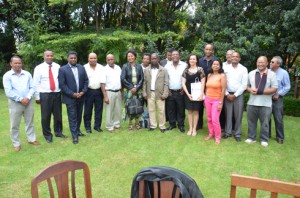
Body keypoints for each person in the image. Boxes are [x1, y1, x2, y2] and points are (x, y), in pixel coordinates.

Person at [3, 56, 40, 151]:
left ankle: (31, 139)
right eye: (15, 63)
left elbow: (32, 87)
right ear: (11, 64)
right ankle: (16, 143)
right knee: (15, 124)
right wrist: (20, 99)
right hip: (15, 103)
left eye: (19, 63)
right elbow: (8, 91)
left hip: (28, 102)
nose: (18, 65)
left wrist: (27, 98)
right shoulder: (7, 76)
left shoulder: (27, 74)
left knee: (30, 122)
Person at [33, 49, 65, 143]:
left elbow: (60, 80)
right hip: (45, 94)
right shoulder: (38, 68)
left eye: (51, 55)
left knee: (58, 115)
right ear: (44, 56)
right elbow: (36, 83)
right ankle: (47, 135)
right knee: (45, 116)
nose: (50, 57)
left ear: (53, 56)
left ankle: (58, 132)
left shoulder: (57, 66)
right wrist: (37, 97)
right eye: (47, 56)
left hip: (56, 93)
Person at [245, 56, 278, 147]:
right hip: (252, 102)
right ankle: (251, 138)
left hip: (266, 103)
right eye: (259, 62)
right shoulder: (251, 73)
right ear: (256, 63)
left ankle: (264, 139)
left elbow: (274, 88)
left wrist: (261, 92)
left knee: (265, 123)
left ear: (267, 63)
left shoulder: (271, 74)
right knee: (251, 121)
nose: (260, 64)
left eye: (262, 62)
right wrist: (250, 90)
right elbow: (247, 85)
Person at [58, 51, 89, 144]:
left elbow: (86, 81)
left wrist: (83, 91)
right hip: (70, 98)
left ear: (77, 58)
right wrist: (73, 94)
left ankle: (78, 131)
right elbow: (62, 85)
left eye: (74, 58)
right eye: (71, 58)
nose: (73, 59)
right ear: (68, 58)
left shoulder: (81, 67)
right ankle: (74, 136)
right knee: (72, 117)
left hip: (81, 96)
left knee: (79, 115)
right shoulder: (62, 69)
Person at [222, 52, 248, 142]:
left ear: (239, 58)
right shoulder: (225, 68)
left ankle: (237, 133)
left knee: (238, 115)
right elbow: (223, 82)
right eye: (233, 56)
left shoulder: (243, 69)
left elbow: (244, 84)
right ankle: (227, 132)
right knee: (228, 114)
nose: (234, 58)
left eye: (237, 56)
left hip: (238, 95)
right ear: (230, 57)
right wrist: (226, 94)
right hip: (227, 94)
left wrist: (235, 95)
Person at [143, 53, 169, 133]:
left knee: (161, 110)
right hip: (150, 93)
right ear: (151, 60)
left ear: (158, 59)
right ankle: (153, 125)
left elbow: (166, 83)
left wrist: (165, 94)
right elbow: (144, 82)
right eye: (152, 58)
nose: (154, 60)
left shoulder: (163, 70)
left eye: (155, 58)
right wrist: (144, 93)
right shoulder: (146, 69)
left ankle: (162, 126)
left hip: (160, 94)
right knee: (151, 110)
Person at [182, 54, 205, 136]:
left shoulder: (200, 70)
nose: (192, 60)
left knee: (196, 111)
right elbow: (183, 83)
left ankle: (195, 129)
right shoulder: (186, 70)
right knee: (189, 111)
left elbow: (203, 82)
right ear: (188, 60)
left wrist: (201, 93)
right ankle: (190, 128)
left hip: (197, 94)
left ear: (196, 60)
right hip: (188, 94)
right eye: (190, 59)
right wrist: (188, 94)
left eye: (193, 59)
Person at [204, 59, 226, 144]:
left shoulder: (222, 76)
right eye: (214, 64)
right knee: (209, 119)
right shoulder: (209, 75)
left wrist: (221, 102)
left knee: (215, 119)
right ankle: (210, 133)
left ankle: (217, 137)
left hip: (217, 100)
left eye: (217, 64)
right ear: (211, 65)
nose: (215, 66)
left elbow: (223, 89)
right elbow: (207, 88)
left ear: (220, 66)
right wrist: (205, 99)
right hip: (208, 99)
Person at [269, 56, 291, 144]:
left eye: (272, 62)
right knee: (266, 118)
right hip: (267, 98)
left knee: (278, 118)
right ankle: (267, 134)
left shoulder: (284, 73)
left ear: (278, 64)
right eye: (270, 62)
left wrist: (278, 94)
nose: (270, 63)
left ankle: (280, 137)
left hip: (277, 99)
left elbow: (287, 86)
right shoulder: (268, 72)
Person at [121, 50, 144, 131]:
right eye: (128, 56)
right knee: (129, 106)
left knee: (138, 106)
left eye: (131, 56)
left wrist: (137, 87)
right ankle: (130, 124)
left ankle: (137, 124)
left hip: (138, 90)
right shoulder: (125, 66)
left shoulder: (139, 66)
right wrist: (131, 87)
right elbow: (123, 79)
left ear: (135, 56)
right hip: (129, 90)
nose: (130, 57)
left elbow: (142, 78)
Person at [165, 50, 187, 133]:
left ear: (179, 55)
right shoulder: (167, 66)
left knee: (181, 109)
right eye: (173, 54)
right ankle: (172, 124)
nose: (175, 56)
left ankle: (181, 125)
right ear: (171, 56)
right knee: (171, 109)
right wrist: (167, 89)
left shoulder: (184, 65)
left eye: (176, 54)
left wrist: (184, 89)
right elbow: (165, 78)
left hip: (180, 91)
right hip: (170, 92)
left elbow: (187, 77)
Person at [100, 54, 122, 133]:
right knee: (109, 110)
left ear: (114, 59)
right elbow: (102, 84)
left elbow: (121, 81)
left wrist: (121, 93)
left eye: (111, 59)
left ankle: (117, 124)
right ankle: (109, 127)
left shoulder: (118, 68)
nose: (110, 61)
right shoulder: (104, 69)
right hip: (109, 92)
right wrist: (105, 96)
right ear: (106, 60)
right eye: (108, 59)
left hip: (118, 91)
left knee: (118, 109)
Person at [198, 43, 217, 130]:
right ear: (204, 50)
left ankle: (214, 125)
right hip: (201, 86)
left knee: (213, 108)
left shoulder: (216, 61)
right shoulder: (200, 61)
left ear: (212, 51)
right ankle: (199, 124)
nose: (208, 51)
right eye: (207, 49)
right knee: (199, 106)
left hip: (212, 87)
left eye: (210, 49)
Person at [83, 52, 104, 133]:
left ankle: (97, 126)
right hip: (88, 91)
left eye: (94, 58)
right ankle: (87, 127)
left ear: (97, 58)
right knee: (88, 110)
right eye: (91, 58)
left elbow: (103, 80)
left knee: (99, 110)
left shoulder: (101, 67)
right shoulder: (84, 67)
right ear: (88, 59)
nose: (93, 59)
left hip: (99, 91)